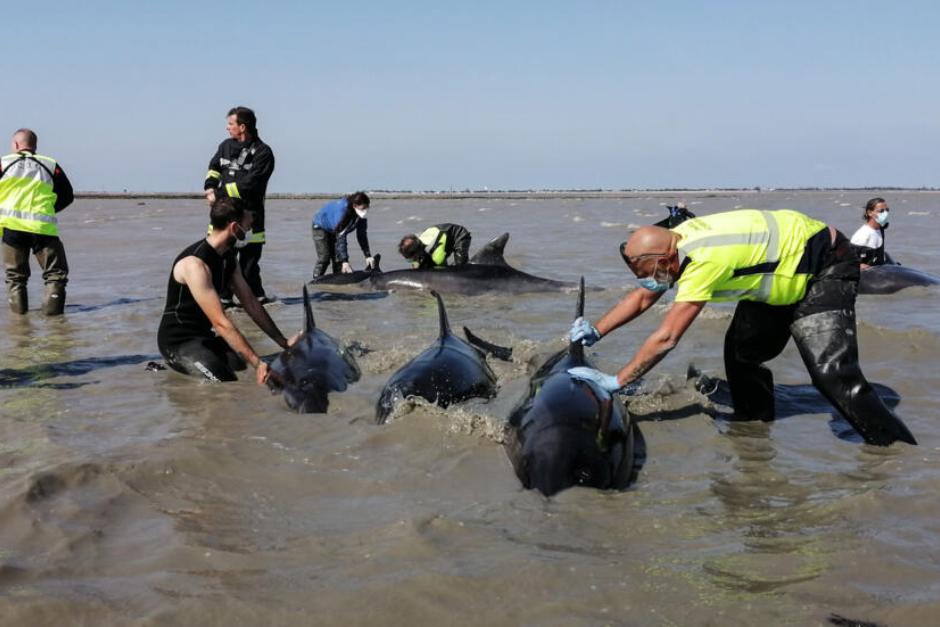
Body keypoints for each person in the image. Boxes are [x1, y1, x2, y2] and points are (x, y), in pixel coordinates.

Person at [567, 208, 916, 447]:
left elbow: (667, 336)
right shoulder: (676, 239)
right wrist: (597, 330)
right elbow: (645, 296)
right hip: (776, 274)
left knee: (832, 376)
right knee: (740, 354)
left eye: (653, 272)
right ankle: (755, 425)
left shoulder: (705, 261)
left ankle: (895, 451)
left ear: (665, 259)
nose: (653, 281)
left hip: (824, 265)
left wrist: (617, 381)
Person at [157, 197, 297, 384]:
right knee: (226, 382)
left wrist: (283, 342)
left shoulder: (227, 257)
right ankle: (168, 366)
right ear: (234, 228)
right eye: (247, 228)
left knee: (240, 365)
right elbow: (220, 322)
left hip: (204, 336)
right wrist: (258, 364)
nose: (249, 232)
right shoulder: (195, 264)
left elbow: (251, 303)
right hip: (178, 342)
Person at [204, 106, 275, 304]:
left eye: (230, 124)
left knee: (248, 267)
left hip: (250, 218)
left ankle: (256, 302)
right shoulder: (225, 146)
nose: (227, 128)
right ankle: (223, 301)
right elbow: (214, 168)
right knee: (220, 261)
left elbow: (251, 184)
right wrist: (209, 187)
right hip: (223, 216)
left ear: (242, 127)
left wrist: (218, 193)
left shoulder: (263, 153)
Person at [0, 128, 74, 315]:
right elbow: (67, 195)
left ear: (16, 145)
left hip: (12, 229)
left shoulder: (3, 163)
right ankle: (53, 321)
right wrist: (50, 210)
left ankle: (20, 323)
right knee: (55, 275)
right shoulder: (50, 164)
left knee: (15, 278)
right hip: (43, 228)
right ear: (35, 146)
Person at [311, 191, 374, 278]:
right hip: (320, 226)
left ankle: (337, 281)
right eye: (363, 208)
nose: (365, 211)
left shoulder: (361, 216)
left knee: (338, 260)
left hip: (334, 228)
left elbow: (361, 235)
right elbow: (341, 238)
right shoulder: (342, 212)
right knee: (325, 258)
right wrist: (345, 261)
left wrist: (368, 255)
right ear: (354, 206)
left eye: (367, 208)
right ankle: (315, 280)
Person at [398, 223, 472, 269]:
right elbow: (417, 263)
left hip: (459, 235)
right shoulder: (418, 239)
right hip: (441, 234)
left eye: (411, 259)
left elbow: (441, 268)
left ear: (417, 252)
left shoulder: (435, 251)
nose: (412, 261)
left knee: (460, 267)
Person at [850, 197, 892, 268]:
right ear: (870, 213)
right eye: (881, 211)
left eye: (887, 210)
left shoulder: (880, 228)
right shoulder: (861, 236)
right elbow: (847, 262)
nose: (885, 213)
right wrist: (858, 265)